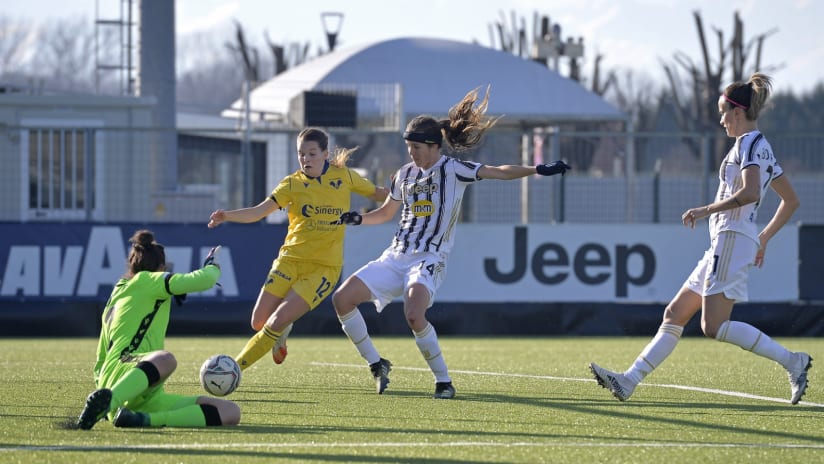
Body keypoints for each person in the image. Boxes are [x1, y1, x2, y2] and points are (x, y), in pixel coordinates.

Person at [331, 86, 571, 399]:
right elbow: (387, 212)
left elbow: (499, 172)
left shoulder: (452, 169)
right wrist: (360, 218)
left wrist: (537, 169)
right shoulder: (403, 175)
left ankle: (443, 381)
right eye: (408, 147)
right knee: (342, 299)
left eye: (416, 147)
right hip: (395, 256)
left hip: (429, 257)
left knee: (414, 314)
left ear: (433, 146)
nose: (411, 153)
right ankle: (377, 364)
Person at [589, 73, 811, 405]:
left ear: (737, 111)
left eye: (724, 113)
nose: (721, 120)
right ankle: (628, 381)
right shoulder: (755, 145)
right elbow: (790, 200)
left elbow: (750, 192)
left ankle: (794, 361)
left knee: (714, 326)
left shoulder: (751, 142)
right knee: (675, 313)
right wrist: (762, 237)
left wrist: (706, 209)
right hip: (728, 241)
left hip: (732, 239)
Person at [208, 128, 387, 372]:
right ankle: (280, 335)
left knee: (277, 320)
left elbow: (378, 194)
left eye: (312, 153)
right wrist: (226, 215)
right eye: (301, 154)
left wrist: (405, 195)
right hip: (289, 260)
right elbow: (259, 211)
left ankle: (233, 369)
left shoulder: (343, 176)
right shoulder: (292, 184)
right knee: (258, 321)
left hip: (323, 268)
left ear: (325, 154)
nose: (306, 159)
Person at [76, 230, 238, 430]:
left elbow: (101, 356)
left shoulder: (119, 292)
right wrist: (213, 265)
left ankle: (141, 420)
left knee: (231, 412)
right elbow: (204, 280)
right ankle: (108, 405)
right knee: (165, 359)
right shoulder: (146, 280)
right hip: (123, 375)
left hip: (139, 393)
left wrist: (103, 386)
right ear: (160, 268)